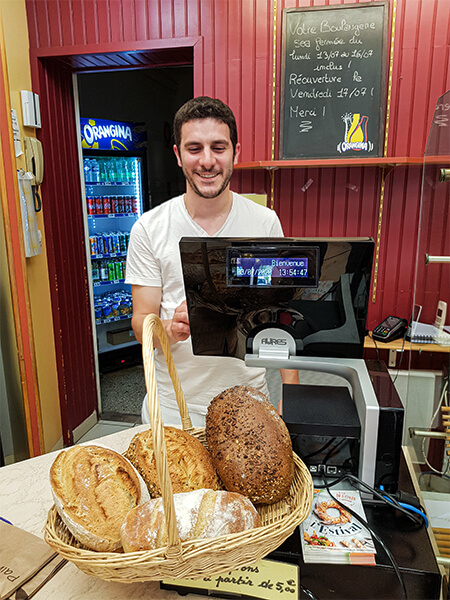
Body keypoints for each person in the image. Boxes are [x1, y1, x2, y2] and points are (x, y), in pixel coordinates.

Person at [125, 96, 298, 427]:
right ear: (177, 155)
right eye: (194, 148)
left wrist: (292, 393)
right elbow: (141, 323)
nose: (207, 160)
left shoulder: (265, 223)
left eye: (218, 147)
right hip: (174, 407)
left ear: (236, 152)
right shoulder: (149, 228)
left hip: (249, 404)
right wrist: (170, 329)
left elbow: (280, 317)